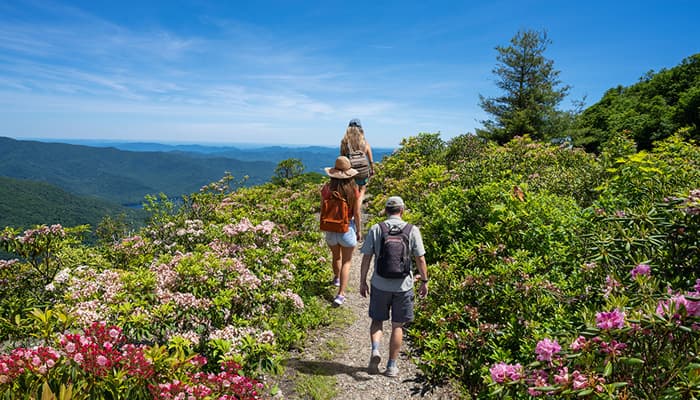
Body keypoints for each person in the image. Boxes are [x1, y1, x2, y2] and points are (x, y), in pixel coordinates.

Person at [359, 196, 429, 377]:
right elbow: (420, 258)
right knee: (398, 325)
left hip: (379, 284)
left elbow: (366, 257)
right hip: (403, 286)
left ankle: (375, 350)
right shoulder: (412, 230)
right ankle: (391, 365)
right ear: (402, 210)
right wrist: (424, 281)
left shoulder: (376, 229)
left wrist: (362, 281)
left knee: (377, 320)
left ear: (386, 210)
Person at [321, 156, 363, 306]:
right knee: (347, 261)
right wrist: (359, 230)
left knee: (335, 256)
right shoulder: (353, 190)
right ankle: (341, 295)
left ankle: (336, 279)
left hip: (330, 229)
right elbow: (357, 213)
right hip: (347, 228)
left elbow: (322, 209)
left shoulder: (326, 188)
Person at [340, 118, 374, 205]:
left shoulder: (344, 142)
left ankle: (351, 210)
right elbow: (370, 159)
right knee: (362, 189)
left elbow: (342, 158)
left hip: (350, 170)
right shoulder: (364, 142)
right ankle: (357, 209)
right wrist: (372, 169)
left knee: (351, 191)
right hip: (362, 171)